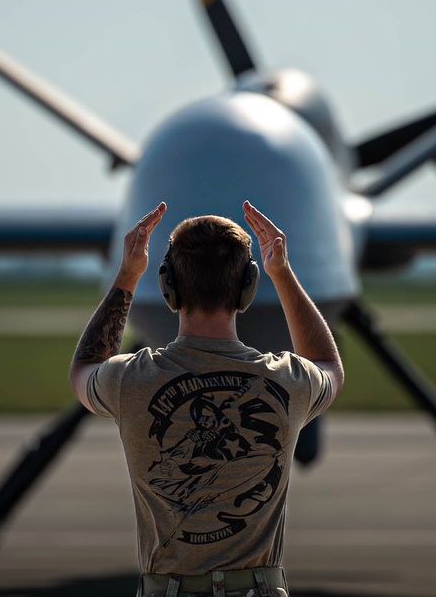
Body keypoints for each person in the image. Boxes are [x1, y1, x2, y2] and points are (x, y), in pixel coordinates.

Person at [70, 200, 344, 597]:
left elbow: (85, 365)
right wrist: (282, 274)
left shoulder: (129, 379)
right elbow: (327, 364)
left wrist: (129, 274)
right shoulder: (288, 381)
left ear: (169, 288)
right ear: (246, 289)